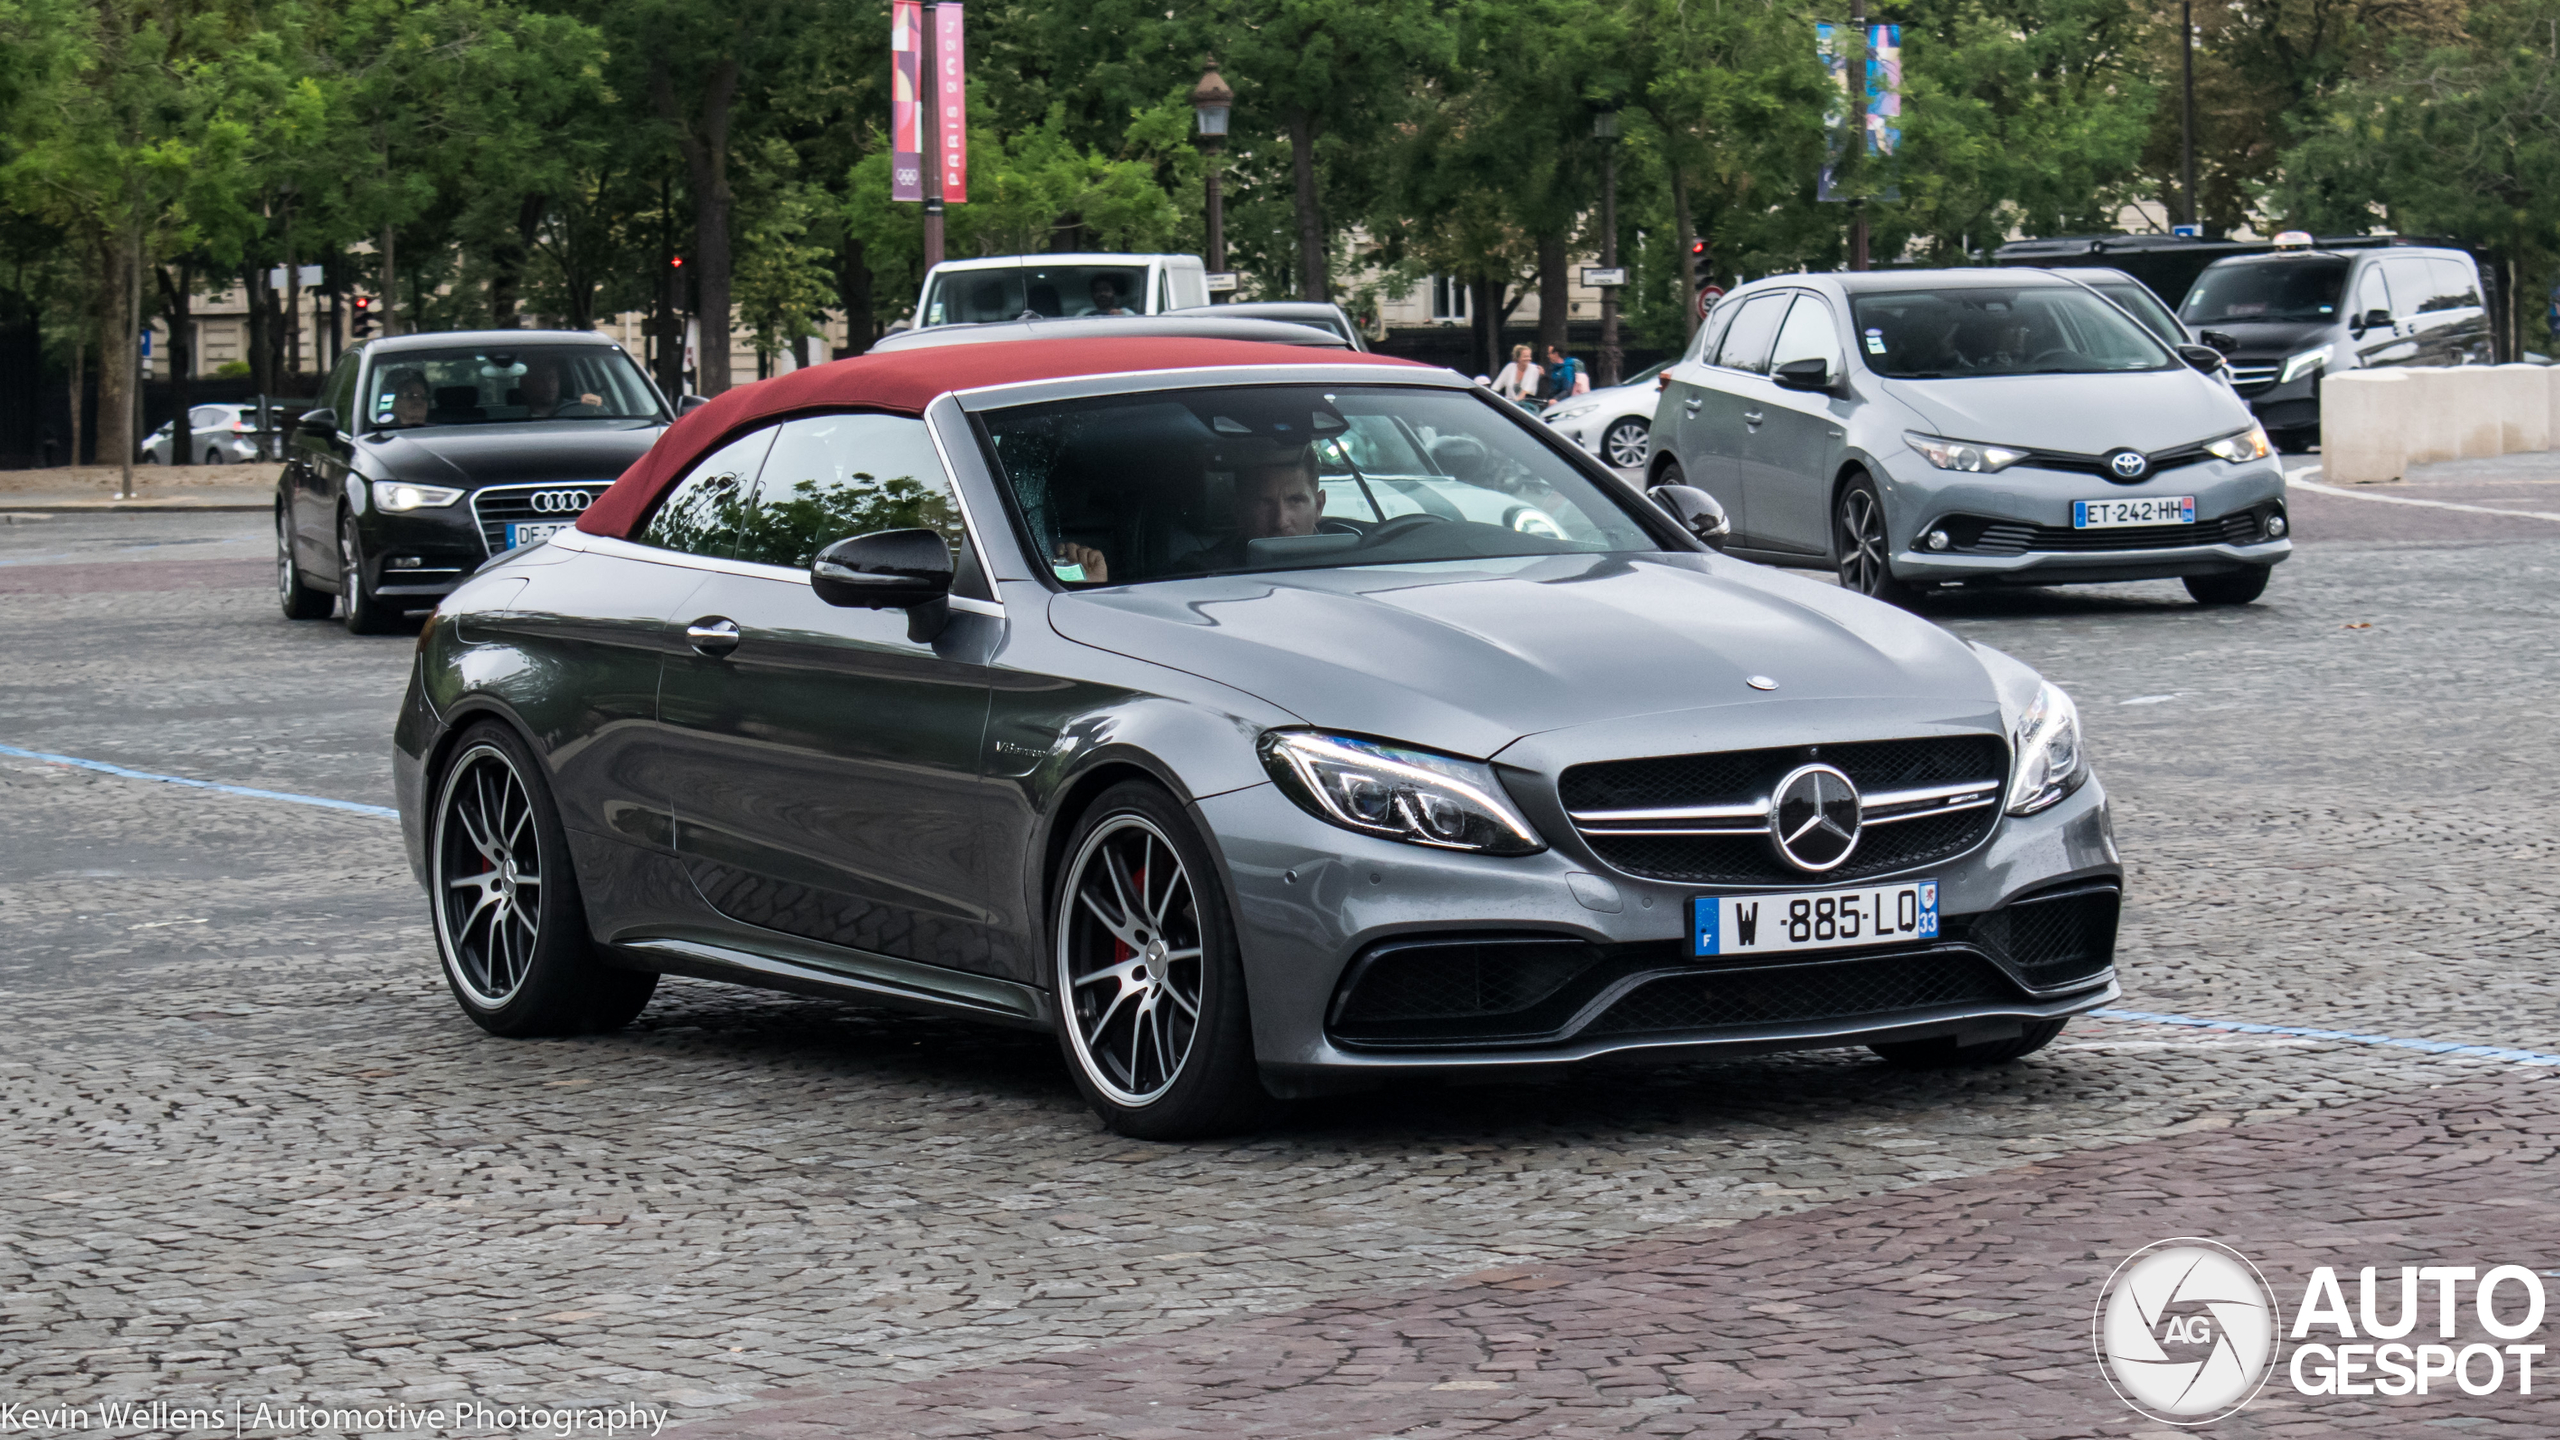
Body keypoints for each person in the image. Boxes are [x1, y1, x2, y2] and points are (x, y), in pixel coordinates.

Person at [1053, 444, 1323, 584]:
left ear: (1319, 506)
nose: (1280, 520)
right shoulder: (1199, 573)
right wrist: (1093, 590)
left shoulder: (1362, 551)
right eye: (1263, 503)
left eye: (1296, 500)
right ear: (1237, 510)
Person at [519, 356, 603, 418]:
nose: (548, 384)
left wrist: (595, 408)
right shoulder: (518, 416)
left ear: (559, 381)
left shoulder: (578, 411)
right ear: (530, 383)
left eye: (552, 378)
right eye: (541, 379)